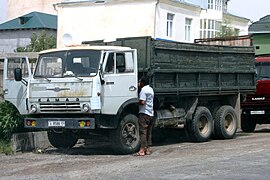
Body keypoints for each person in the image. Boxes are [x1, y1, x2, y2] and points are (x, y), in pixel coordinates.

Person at [135, 76, 154, 156]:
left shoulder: (143, 90)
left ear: (142, 83)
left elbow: (142, 102)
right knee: (149, 132)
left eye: (140, 82)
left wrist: (136, 102)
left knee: (143, 132)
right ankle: (148, 150)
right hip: (151, 113)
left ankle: (142, 150)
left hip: (144, 113)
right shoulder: (151, 89)